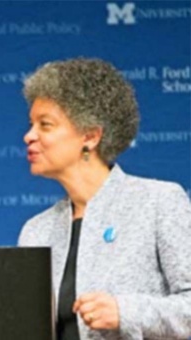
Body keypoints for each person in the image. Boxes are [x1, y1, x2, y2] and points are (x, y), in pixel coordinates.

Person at [18, 58, 191, 339]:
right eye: (30, 124)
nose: (29, 136)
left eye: (45, 125)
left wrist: (125, 312)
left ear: (91, 136)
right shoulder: (36, 231)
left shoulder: (159, 202)